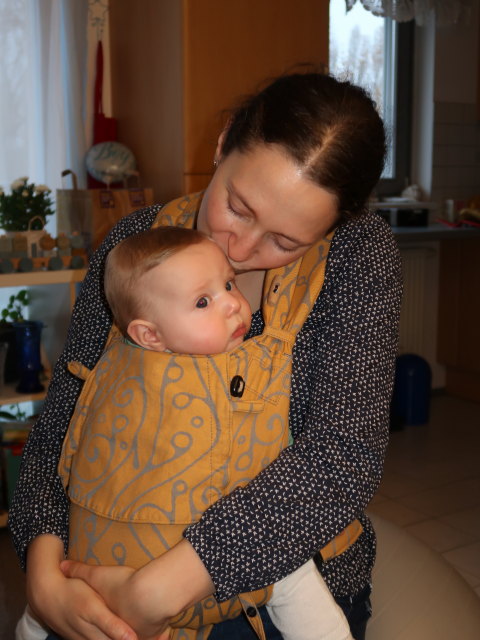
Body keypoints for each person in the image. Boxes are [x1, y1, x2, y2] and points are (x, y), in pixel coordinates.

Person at [9, 71, 402, 640]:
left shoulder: (358, 258)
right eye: (237, 207)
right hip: (111, 559)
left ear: (334, 226)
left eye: (285, 242)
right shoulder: (135, 246)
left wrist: (158, 589)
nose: (238, 250)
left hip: (281, 588)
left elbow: (341, 457)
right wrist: (45, 578)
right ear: (222, 144)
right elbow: (62, 426)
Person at [16, 226, 353, 640]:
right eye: (202, 301)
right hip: (102, 561)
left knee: (289, 564)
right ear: (149, 336)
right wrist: (44, 587)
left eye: (228, 284)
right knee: (290, 574)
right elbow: (52, 444)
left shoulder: (352, 256)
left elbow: (338, 460)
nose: (232, 303)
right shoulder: (120, 355)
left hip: (221, 545)